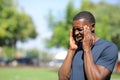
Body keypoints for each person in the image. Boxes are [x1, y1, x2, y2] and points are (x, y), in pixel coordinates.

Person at [58, 11, 118, 80]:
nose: (76, 33)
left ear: (92, 27)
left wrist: (87, 50)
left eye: (80, 29)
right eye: (74, 29)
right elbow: (62, 78)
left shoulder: (109, 48)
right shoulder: (76, 47)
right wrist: (71, 50)